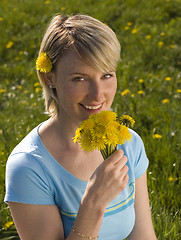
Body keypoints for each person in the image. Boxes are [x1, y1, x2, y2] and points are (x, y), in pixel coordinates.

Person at [4, 14, 157, 240]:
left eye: (106, 75)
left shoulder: (128, 143)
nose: (98, 95)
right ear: (49, 79)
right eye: (79, 78)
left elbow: (143, 236)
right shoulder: (29, 166)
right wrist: (94, 202)